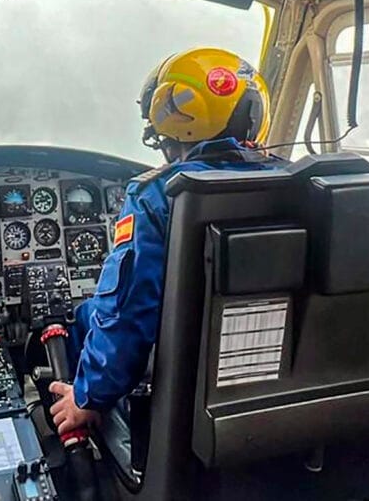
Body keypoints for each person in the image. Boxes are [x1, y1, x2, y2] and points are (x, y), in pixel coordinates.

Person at [49, 48, 288, 436]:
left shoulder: (158, 195)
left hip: (186, 395)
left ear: (176, 116)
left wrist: (88, 396)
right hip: (278, 382)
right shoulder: (300, 183)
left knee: (88, 315)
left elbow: (126, 313)